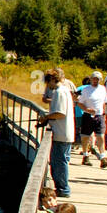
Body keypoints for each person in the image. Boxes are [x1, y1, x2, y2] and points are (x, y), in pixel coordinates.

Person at [37, 68, 75, 198]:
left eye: (48, 82)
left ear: (53, 79)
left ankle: (63, 189)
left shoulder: (59, 92)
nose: (48, 86)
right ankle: (61, 187)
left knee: (59, 163)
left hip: (62, 134)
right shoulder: (63, 91)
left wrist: (46, 117)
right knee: (57, 162)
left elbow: (60, 113)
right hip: (62, 132)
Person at [77, 72, 107, 166]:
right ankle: (85, 155)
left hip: (99, 115)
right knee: (85, 137)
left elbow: (105, 102)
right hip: (87, 115)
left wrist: (104, 113)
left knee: (101, 136)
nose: (95, 81)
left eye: (97, 79)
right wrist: (86, 109)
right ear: (91, 79)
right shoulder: (86, 89)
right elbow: (79, 102)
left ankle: (102, 157)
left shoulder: (103, 89)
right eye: (94, 79)